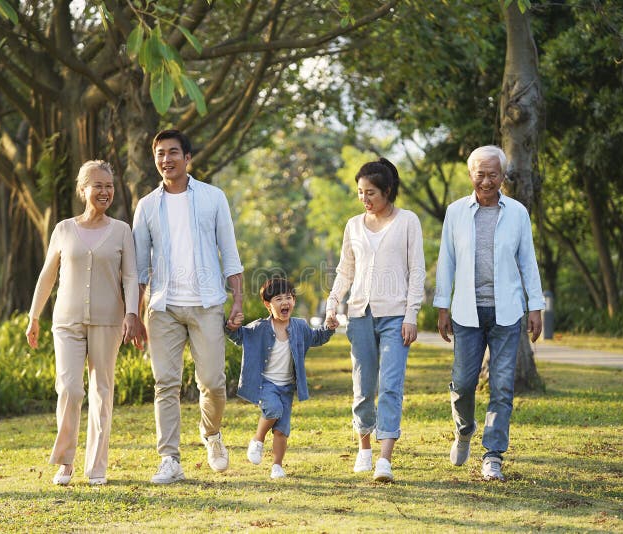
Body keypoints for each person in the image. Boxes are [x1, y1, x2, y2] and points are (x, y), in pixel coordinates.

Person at [132, 129, 244, 484]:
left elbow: (230, 251)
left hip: (206, 303)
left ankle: (211, 433)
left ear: (187, 158)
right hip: (163, 307)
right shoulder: (146, 205)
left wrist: (238, 300)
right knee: (165, 384)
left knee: (213, 382)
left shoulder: (213, 198)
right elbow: (137, 267)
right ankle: (169, 459)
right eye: (160, 154)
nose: (166, 159)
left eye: (173, 152)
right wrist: (133, 314)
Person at [25, 160, 143, 486]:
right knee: (70, 389)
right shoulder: (63, 229)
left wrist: (132, 313)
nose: (104, 191)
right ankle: (65, 461)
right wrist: (34, 316)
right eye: (98, 185)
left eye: (109, 186)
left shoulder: (121, 230)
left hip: (108, 320)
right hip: (66, 321)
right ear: (83, 189)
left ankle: (97, 466)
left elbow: (131, 277)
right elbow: (48, 275)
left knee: (102, 392)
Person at [433, 145, 545, 482]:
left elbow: (528, 261)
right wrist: (442, 306)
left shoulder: (517, 213)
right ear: (470, 175)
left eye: (492, 174)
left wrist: (535, 305)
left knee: (501, 386)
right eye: (480, 174)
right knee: (464, 384)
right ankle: (464, 430)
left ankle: (493, 454)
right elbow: (447, 260)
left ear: (502, 176)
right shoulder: (455, 212)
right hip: (467, 312)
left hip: (507, 312)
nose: (486, 180)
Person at [325, 158, 426, 483]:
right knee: (363, 387)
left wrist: (411, 314)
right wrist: (332, 302)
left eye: (371, 192)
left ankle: (385, 459)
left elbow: (417, 272)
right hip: (360, 315)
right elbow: (346, 270)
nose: (365, 199)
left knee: (391, 386)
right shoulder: (354, 225)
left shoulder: (408, 221)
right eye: (360, 192)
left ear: (387, 191)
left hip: (396, 316)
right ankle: (364, 448)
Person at [226, 277, 336, 479]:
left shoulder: (300, 326)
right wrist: (232, 326)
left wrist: (329, 328)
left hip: (287, 387)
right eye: (278, 299)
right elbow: (238, 336)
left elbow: (316, 338)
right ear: (268, 304)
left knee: (282, 430)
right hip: (266, 383)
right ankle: (258, 440)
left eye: (289, 298)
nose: (285, 302)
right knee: (273, 409)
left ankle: (277, 466)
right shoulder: (259, 328)